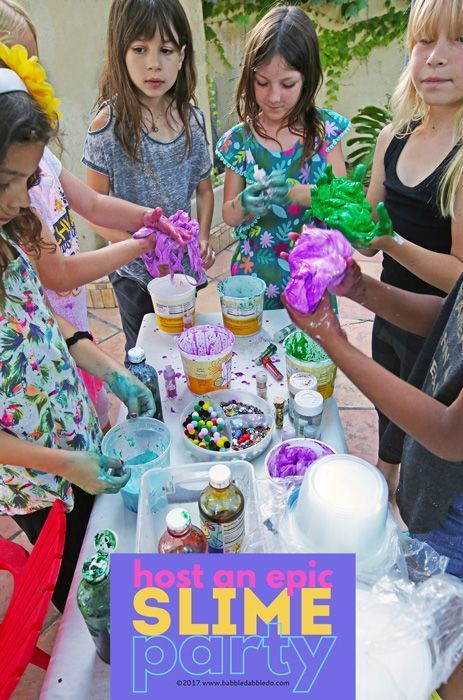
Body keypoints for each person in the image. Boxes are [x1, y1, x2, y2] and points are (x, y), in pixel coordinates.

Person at [0, 65, 155, 613]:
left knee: (114, 548)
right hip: (39, 478)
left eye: (27, 181)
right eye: (7, 182)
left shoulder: (7, 236)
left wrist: (112, 372)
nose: (21, 201)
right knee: (89, 589)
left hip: (75, 436)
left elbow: (48, 323)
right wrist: (65, 466)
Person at [281, 263, 463, 700]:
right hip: (435, 490)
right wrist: (363, 289)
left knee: (446, 647)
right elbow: (449, 320)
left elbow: (448, 431)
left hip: (455, 510)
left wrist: (332, 339)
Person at [0, 1, 179, 430]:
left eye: (34, 69)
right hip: (43, 355)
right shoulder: (16, 200)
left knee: (92, 413)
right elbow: (58, 274)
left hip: (68, 328)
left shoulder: (38, 161)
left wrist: (148, 218)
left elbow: (94, 205)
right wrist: (136, 245)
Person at [362, 0, 463, 492]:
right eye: (425, 40)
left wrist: (391, 242)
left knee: (425, 432)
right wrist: (313, 207)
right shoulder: (392, 139)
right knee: (388, 398)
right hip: (388, 308)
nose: (437, 57)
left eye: (459, 41)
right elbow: (365, 235)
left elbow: (459, 277)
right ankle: (384, 471)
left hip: (440, 330)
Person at [83, 0, 214, 358]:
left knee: (184, 342)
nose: (153, 63)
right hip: (132, 273)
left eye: (166, 50)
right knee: (145, 350)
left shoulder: (194, 121)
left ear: (182, 55)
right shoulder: (106, 127)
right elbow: (94, 211)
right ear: (120, 51)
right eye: (140, 49)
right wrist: (139, 245)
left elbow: (204, 188)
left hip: (181, 267)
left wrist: (202, 236)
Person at [216, 5, 350, 310]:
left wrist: (293, 192)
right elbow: (229, 213)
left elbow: (341, 203)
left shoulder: (324, 133)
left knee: (311, 352)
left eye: (287, 84)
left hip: (312, 274)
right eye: (262, 82)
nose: (273, 96)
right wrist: (244, 204)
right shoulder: (240, 140)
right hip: (255, 276)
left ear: (308, 78)